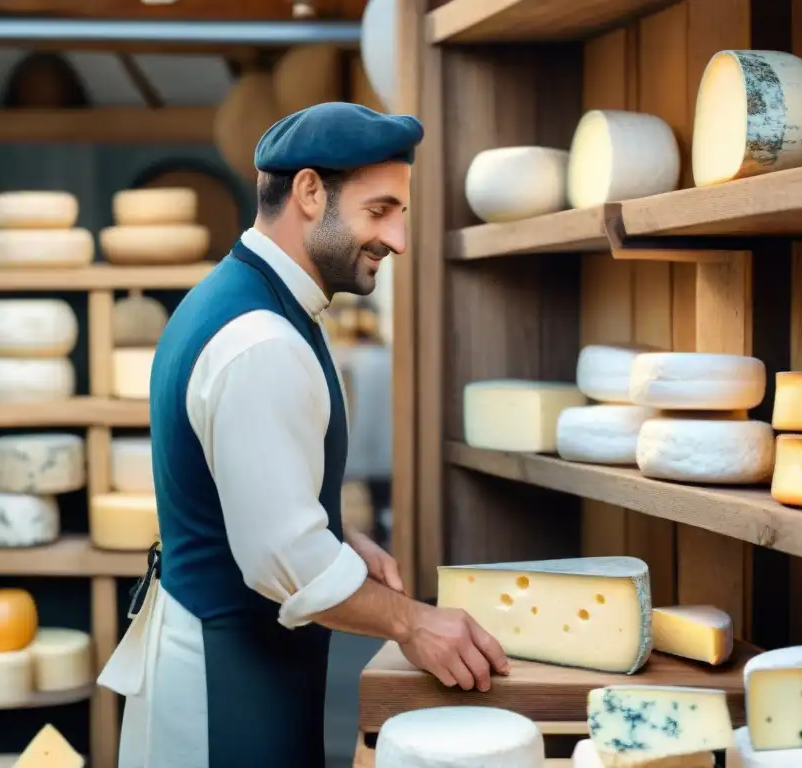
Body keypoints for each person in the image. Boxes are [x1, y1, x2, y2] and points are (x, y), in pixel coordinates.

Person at [97, 102, 510, 768]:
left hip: (225, 660)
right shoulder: (260, 340)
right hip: (224, 685)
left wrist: (335, 533)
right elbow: (282, 557)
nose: (399, 240)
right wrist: (415, 623)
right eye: (380, 211)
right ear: (310, 192)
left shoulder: (234, 298)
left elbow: (242, 493)